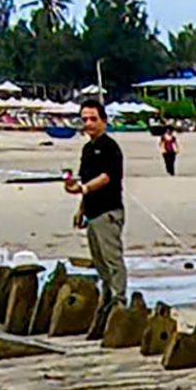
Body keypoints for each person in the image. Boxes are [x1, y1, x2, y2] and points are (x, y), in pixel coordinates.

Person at [64, 100, 128, 316]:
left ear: (104, 121)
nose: (89, 124)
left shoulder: (110, 147)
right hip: (92, 212)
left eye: (93, 119)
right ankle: (108, 299)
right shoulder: (88, 149)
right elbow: (86, 179)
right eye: (85, 119)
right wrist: (81, 207)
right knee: (100, 263)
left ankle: (119, 302)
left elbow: (105, 178)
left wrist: (83, 189)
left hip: (108, 211)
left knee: (113, 260)